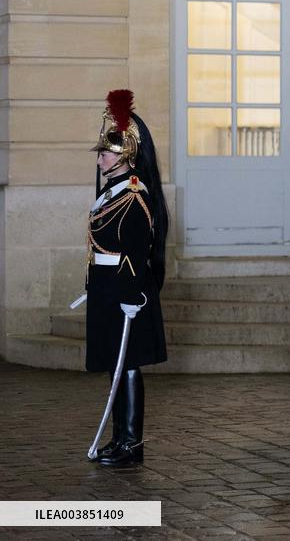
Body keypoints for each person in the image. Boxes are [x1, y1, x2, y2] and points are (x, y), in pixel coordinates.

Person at [86, 89, 169, 465]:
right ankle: (119, 438)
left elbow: (137, 250)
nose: (101, 157)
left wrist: (131, 294)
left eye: (106, 152)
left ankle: (131, 443)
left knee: (128, 364)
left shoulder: (134, 195)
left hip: (127, 292)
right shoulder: (110, 193)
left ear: (126, 156)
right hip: (108, 288)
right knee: (114, 363)